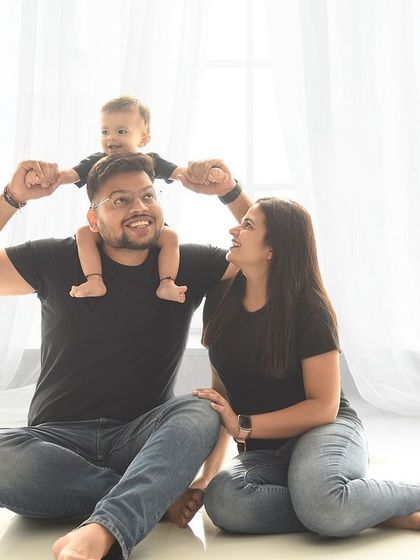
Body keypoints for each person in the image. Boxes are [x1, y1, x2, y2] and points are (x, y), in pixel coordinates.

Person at [0, 154, 251, 560]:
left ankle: (105, 526)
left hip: (142, 438)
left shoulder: (186, 263)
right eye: (119, 200)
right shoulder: (52, 258)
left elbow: (274, 250)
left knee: (200, 411)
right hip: (57, 444)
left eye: (148, 195)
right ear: (93, 219)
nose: (139, 207)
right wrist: (13, 197)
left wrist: (229, 192)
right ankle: (151, 496)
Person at [185, 195, 420, 536]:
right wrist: (206, 478)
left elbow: (323, 408)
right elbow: (221, 398)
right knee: (225, 500)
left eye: (248, 225)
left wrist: (245, 426)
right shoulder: (220, 299)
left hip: (324, 432)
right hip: (267, 452)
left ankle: (348, 502)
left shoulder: (309, 309)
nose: (234, 228)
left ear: (273, 250)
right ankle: (348, 506)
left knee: (321, 501)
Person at [26, 95, 225, 302]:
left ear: (143, 139)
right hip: (105, 225)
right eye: (105, 132)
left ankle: (166, 282)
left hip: (143, 223)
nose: (111, 138)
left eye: (121, 131)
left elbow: (182, 173)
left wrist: (209, 174)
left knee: (170, 237)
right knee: (83, 234)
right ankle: (94, 280)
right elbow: (68, 175)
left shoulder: (151, 161)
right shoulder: (97, 161)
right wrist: (42, 176)